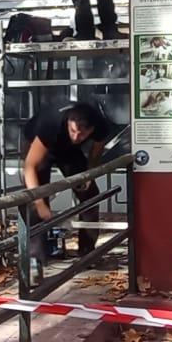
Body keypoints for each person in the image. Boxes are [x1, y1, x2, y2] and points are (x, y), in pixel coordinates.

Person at [21, 101, 121, 261]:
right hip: (39, 144)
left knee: (90, 195)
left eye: (82, 134)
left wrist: (90, 174)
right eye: (73, 131)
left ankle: (88, 254)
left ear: (92, 130)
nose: (76, 137)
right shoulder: (51, 123)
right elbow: (30, 166)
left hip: (69, 152)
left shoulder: (101, 125)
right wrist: (40, 204)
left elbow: (96, 153)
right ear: (68, 121)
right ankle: (35, 260)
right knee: (35, 201)